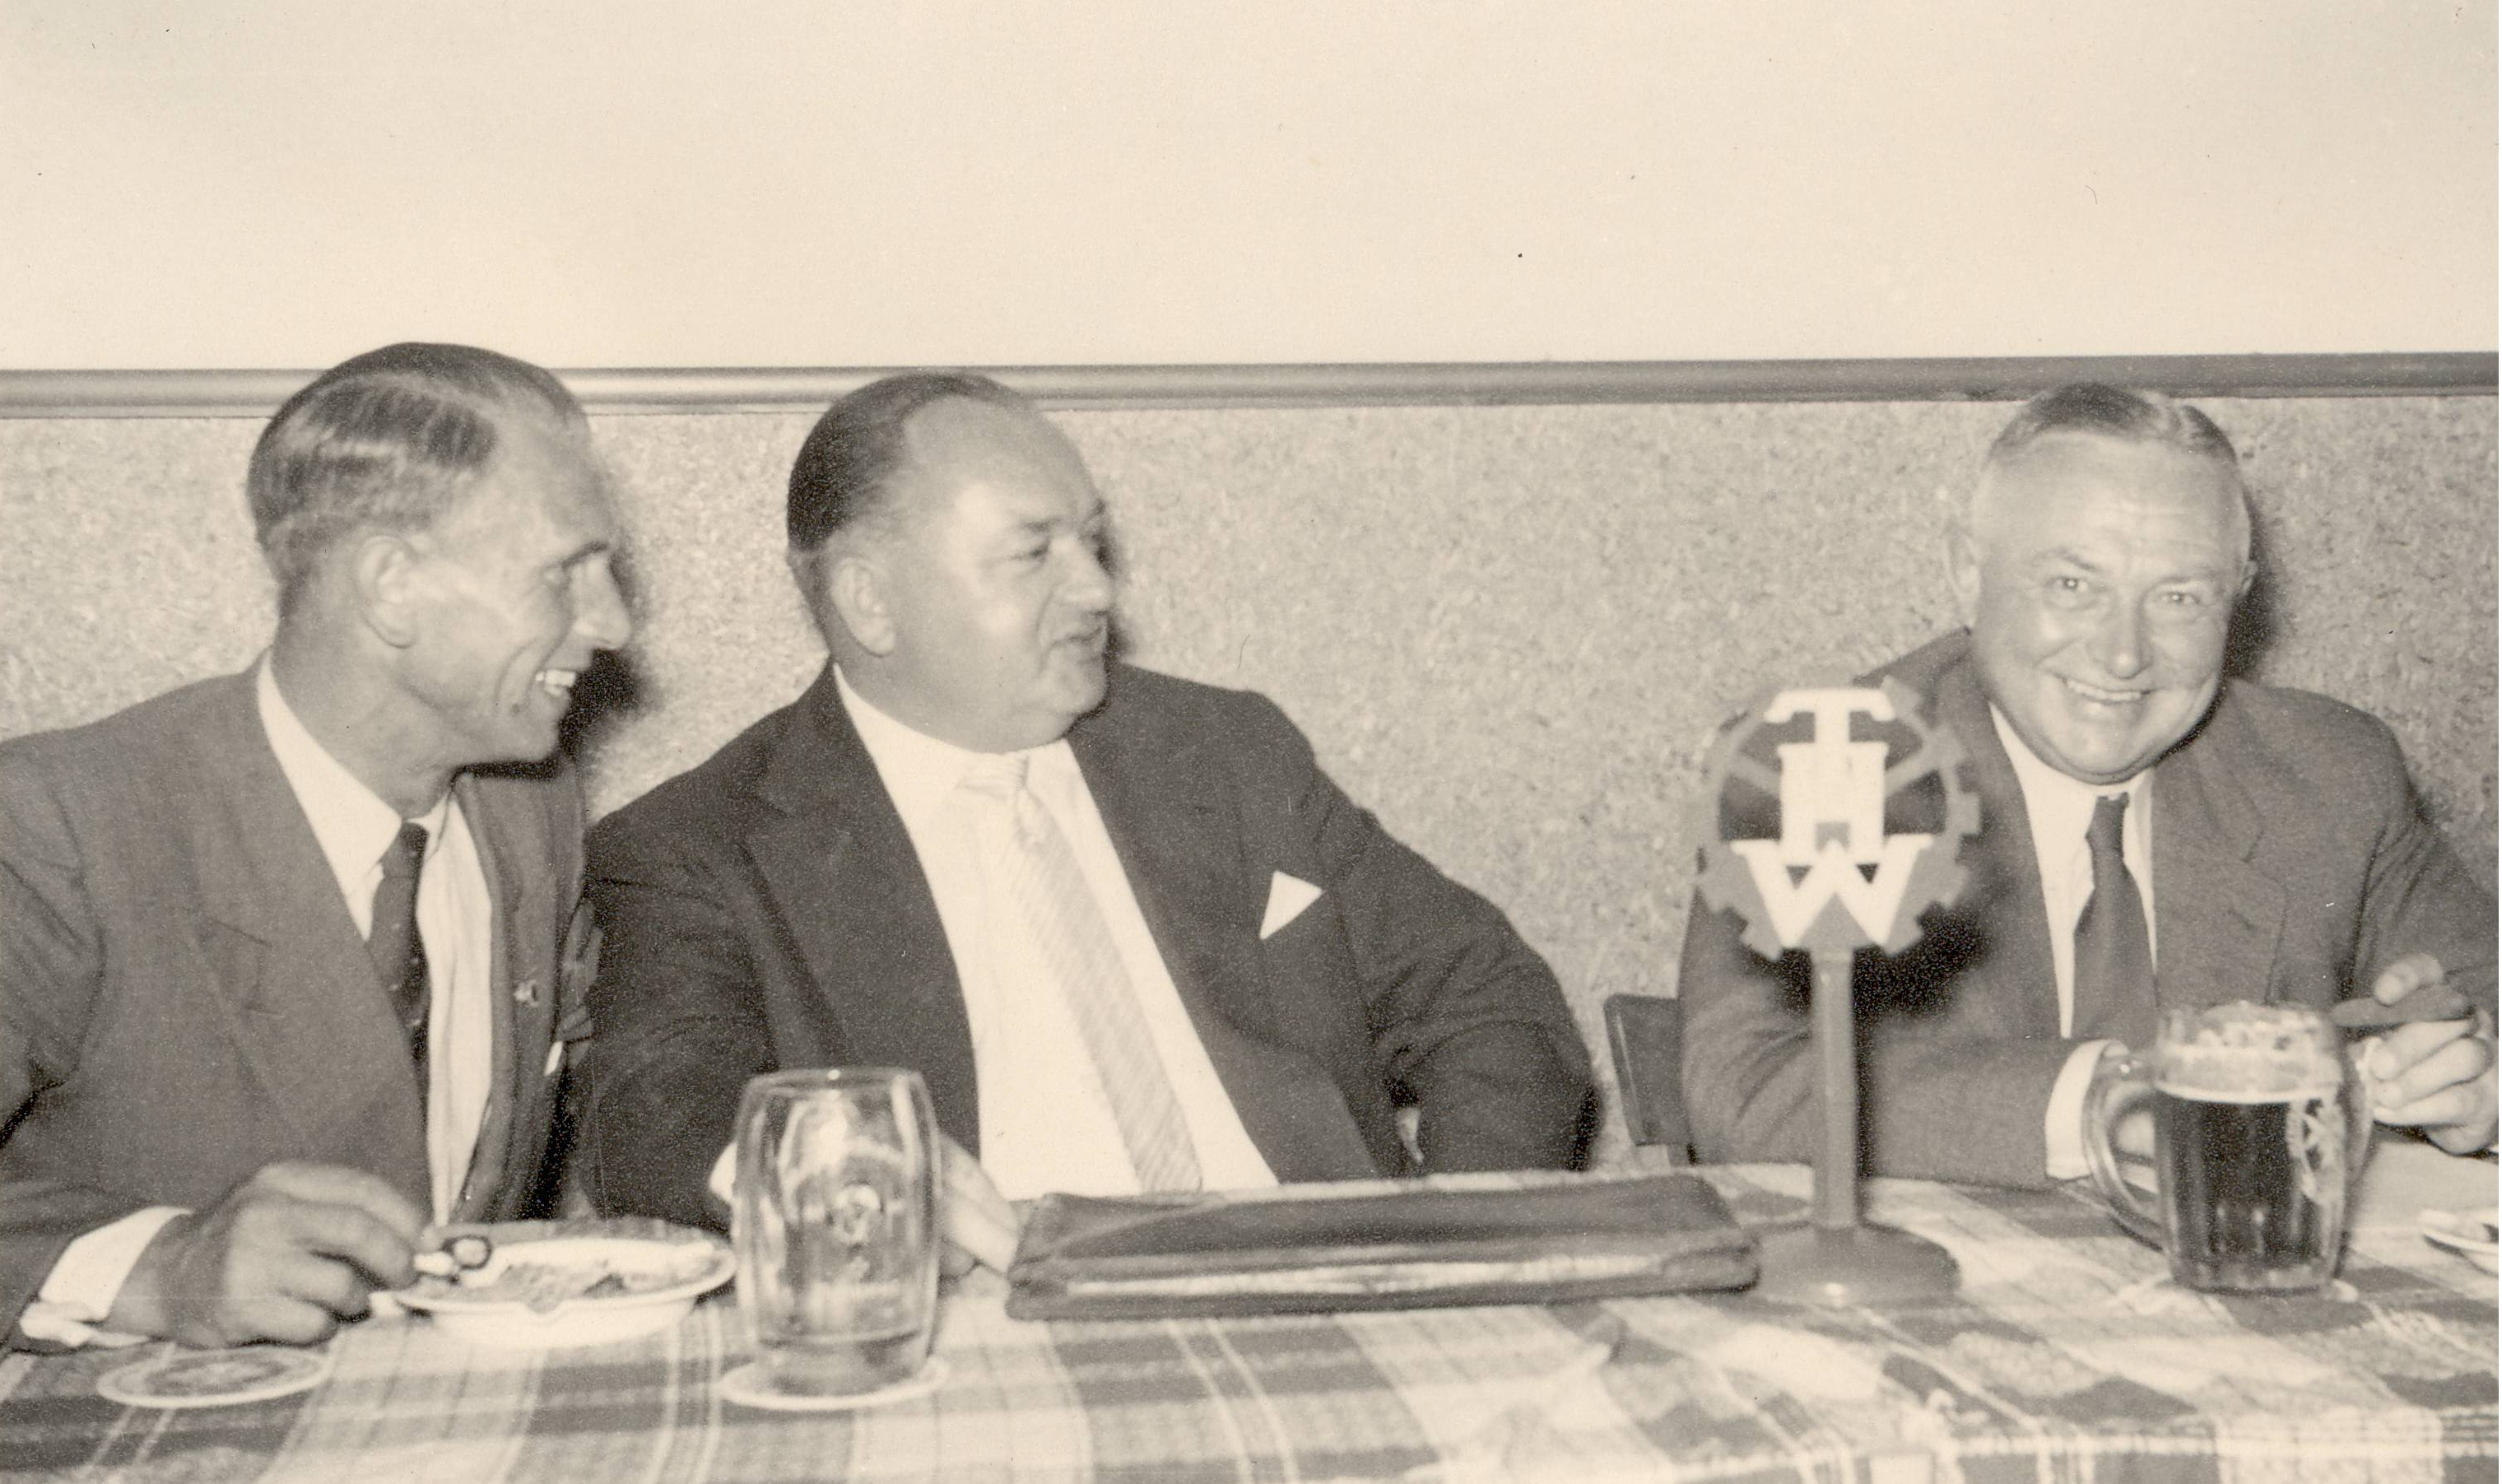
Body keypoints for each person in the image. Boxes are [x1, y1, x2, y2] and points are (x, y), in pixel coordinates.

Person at [580, 372, 1591, 1266]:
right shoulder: (696, 847)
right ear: (869, 601)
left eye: (1092, 541)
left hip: (1314, 1288)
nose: (1098, 589)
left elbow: (1486, 995)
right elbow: (653, 1112)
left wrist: (1450, 1240)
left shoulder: (1225, 753)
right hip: (988, 1330)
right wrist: (839, 1180)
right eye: (1034, 554)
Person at [1678, 383, 2497, 1187]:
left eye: (2179, 597)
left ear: (2239, 596)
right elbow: (1749, 1087)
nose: (2123, 655)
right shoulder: (1834, 769)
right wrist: (2115, 1098)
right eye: (2073, 586)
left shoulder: (2329, 771)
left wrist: (2476, 1080)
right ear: (1966, 572)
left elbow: (2478, 996)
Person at [1, 343, 633, 1349]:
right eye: (565, 572)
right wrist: (155, 1270)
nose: (613, 624)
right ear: (391, 586)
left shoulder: (530, 809)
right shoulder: (56, 828)